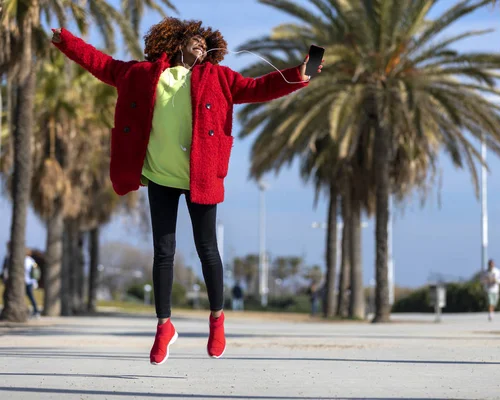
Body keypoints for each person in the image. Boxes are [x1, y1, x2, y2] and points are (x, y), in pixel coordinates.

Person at [51, 17, 323, 365]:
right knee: (163, 252)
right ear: (175, 42)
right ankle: (164, 327)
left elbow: (259, 88)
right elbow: (100, 63)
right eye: (192, 39)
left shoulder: (220, 78)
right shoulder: (141, 74)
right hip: (160, 175)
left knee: (207, 248)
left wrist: (300, 74)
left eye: (202, 41)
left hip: (201, 176)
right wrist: (65, 40)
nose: (199, 44)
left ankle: (217, 320)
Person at [24, 249, 41, 318]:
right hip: (30, 281)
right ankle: (35, 311)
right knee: (31, 297)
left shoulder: (26, 260)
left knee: (30, 296)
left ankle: (35, 311)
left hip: (26, 281)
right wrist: (35, 282)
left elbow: (34, 272)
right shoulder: (32, 260)